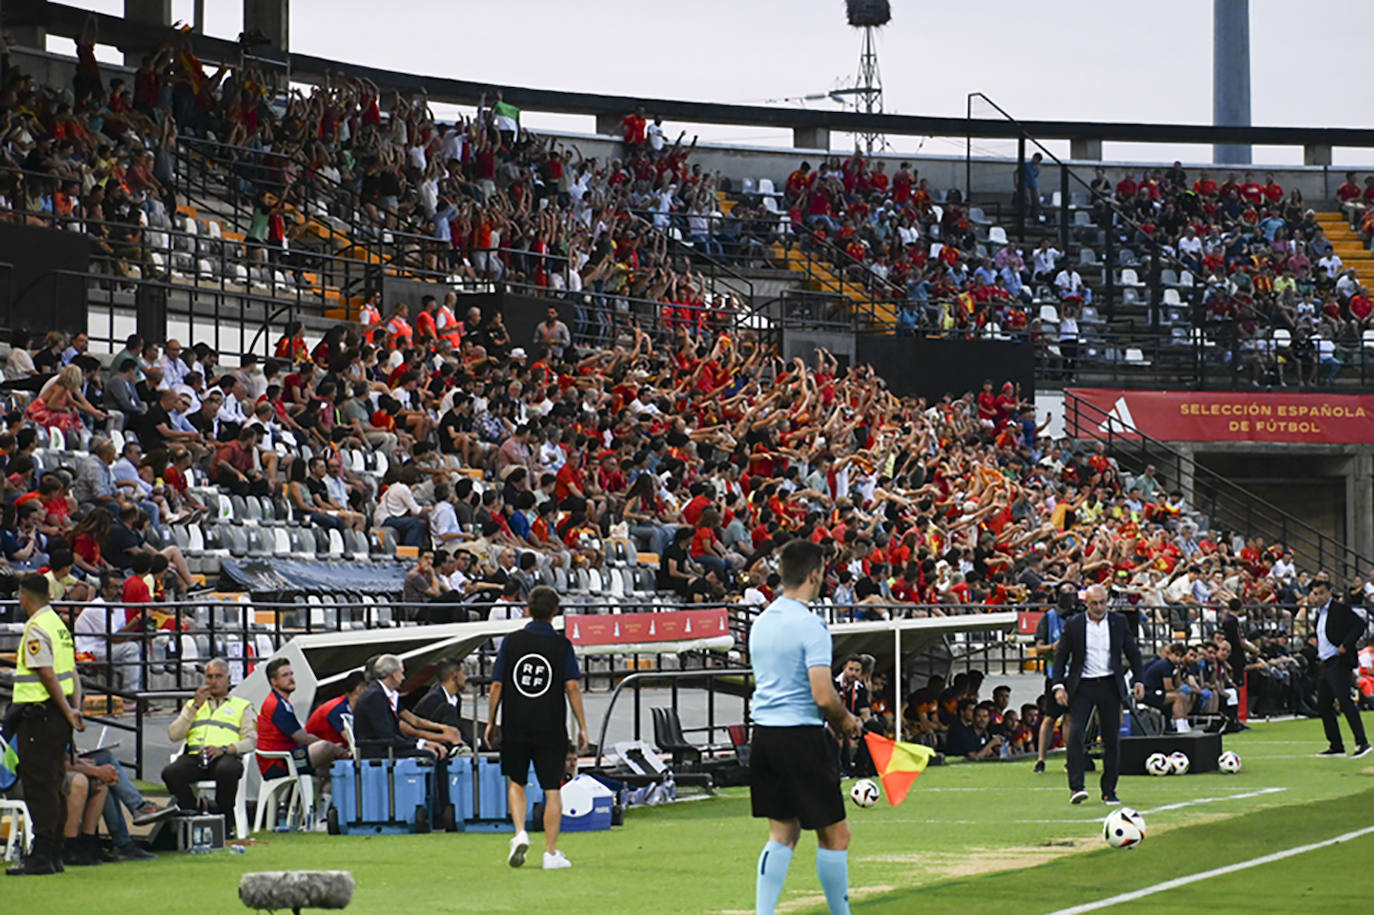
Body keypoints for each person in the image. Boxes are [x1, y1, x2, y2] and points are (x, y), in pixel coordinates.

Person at [748, 539, 862, 915]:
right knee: (835, 835)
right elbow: (823, 695)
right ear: (815, 574)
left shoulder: (762, 622)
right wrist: (846, 721)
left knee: (782, 833)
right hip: (800, 736)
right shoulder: (811, 625)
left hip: (764, 734)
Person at [484, 586, 588, 871]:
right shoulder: (561, 645)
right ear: (556, 613)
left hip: (516, 722)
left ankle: (519, 832)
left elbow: (497, 685)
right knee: (552, 787)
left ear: (527, 609)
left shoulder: (512, 642)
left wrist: (491, 720)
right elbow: (572, 686)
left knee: (516, 781)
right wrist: (582, 726)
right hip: (550, 724)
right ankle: (550, 852)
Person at [7, 573, 84, 876]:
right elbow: (73, 673)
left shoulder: (37, 627)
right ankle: (54, 854)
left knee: (39, 784)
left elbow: (47, 674)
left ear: (24, 596)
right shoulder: (59, 625)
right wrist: (74, 709)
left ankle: (42, 855)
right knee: (54, 782)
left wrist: (67, 711)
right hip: (58, 715)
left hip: (40, 717)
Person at [1051, 584, 1146, 806]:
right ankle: (1076, 787)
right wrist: (1058, 686)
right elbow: (1061, 656)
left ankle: (1109, 790)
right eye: (1094, 603)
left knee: (1111, 739)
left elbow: (1133, 652)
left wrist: (1138, 680)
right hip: (1083, 685)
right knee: (1075, 734)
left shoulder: (1118, 622)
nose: (1099, 607)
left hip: (1110, 684)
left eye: (1102, 602)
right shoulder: (1075, 624)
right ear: (1086, 603)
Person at [161, 659, 257, 829]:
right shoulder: (193, 705)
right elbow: (174, 735)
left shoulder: (242, 706)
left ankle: (224, 818)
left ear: (228, 679)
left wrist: (226, 749)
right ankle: (193, 813)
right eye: (209, 677)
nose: (213, 681)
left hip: (224, 755)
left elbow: (251, 740)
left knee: (228, 770)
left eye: (218, 676)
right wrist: (194, 709)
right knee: (170, 773)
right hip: (194, 756)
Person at [256, 658, 350, 780]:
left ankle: (324, 798)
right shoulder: (275, 705)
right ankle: (347, 755)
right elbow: (303, 738)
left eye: (291, 674)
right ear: (274, 682)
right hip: (278, 763)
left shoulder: (282, 702)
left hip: (287, 757)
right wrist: (335, 748)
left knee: (331, 767)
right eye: (285, 675)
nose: (291, 678)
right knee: (324, 748)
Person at [1308, 580, 1371, 758]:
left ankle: (1362, 742)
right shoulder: (1319, 614)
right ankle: (1336, 745)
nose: (1318, 596)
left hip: (1338, 661)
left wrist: (1346, 644)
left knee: (1344, 700)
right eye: (1315, 593)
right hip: (1325, 662)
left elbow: (1359, 624)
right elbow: (1324, 632)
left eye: (1321, 593)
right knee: (1324, 704)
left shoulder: (1339, 609)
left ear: (1329, 592)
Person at [352, 654, 447, 759]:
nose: (403, 677)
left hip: (386, 746)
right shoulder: (374, 696)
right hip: (377, 751)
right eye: (401, 673)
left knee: (436, 750)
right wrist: (419, 745)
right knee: (429, 754)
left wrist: (423, 743)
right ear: (392, 674)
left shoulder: (383, 694)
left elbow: (395, 734)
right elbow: (386, 735)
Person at [1032, 597, 1069, 774]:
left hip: (1074, 675)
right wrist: (1053, 647)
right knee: (1050, 717)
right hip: (1054, 675)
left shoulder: (1080, 616)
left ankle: (1072, 758)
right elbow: (1038, 648)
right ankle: (1041, 759)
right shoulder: (1048, 618)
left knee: (1070, 717)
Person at [306, 670, 368, 749]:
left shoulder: (351, 707)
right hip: (316, 752)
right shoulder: (337, 709)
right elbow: (352, 740)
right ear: (359, 689)